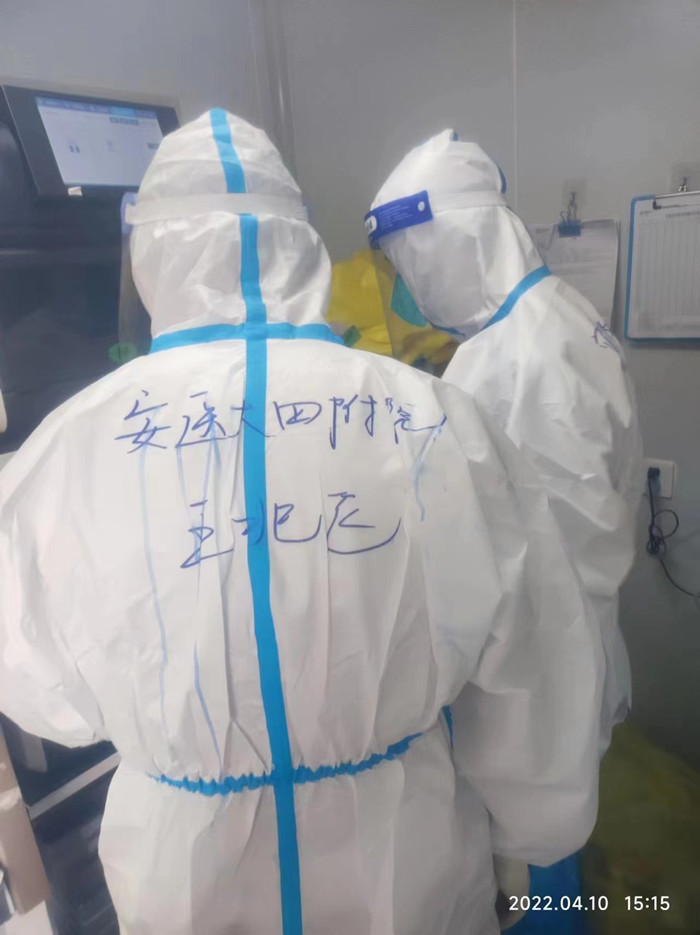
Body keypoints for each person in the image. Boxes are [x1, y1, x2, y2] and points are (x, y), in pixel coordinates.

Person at [0, 111, 603, 935]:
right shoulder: (436, 420)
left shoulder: (64, 449)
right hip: (404, 860)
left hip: (185, 874)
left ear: (149, 254)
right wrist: (537, 824)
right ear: (301, 245)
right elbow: (533, 656)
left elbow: (42, 692)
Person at [368, 130, 642, 756]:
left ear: (451, 245)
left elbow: (538, 556)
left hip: (540, 672)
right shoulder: (557, 314)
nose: (408, 285)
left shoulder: (519, 358)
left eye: (408, 263)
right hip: (565, 651)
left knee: (536, 809)